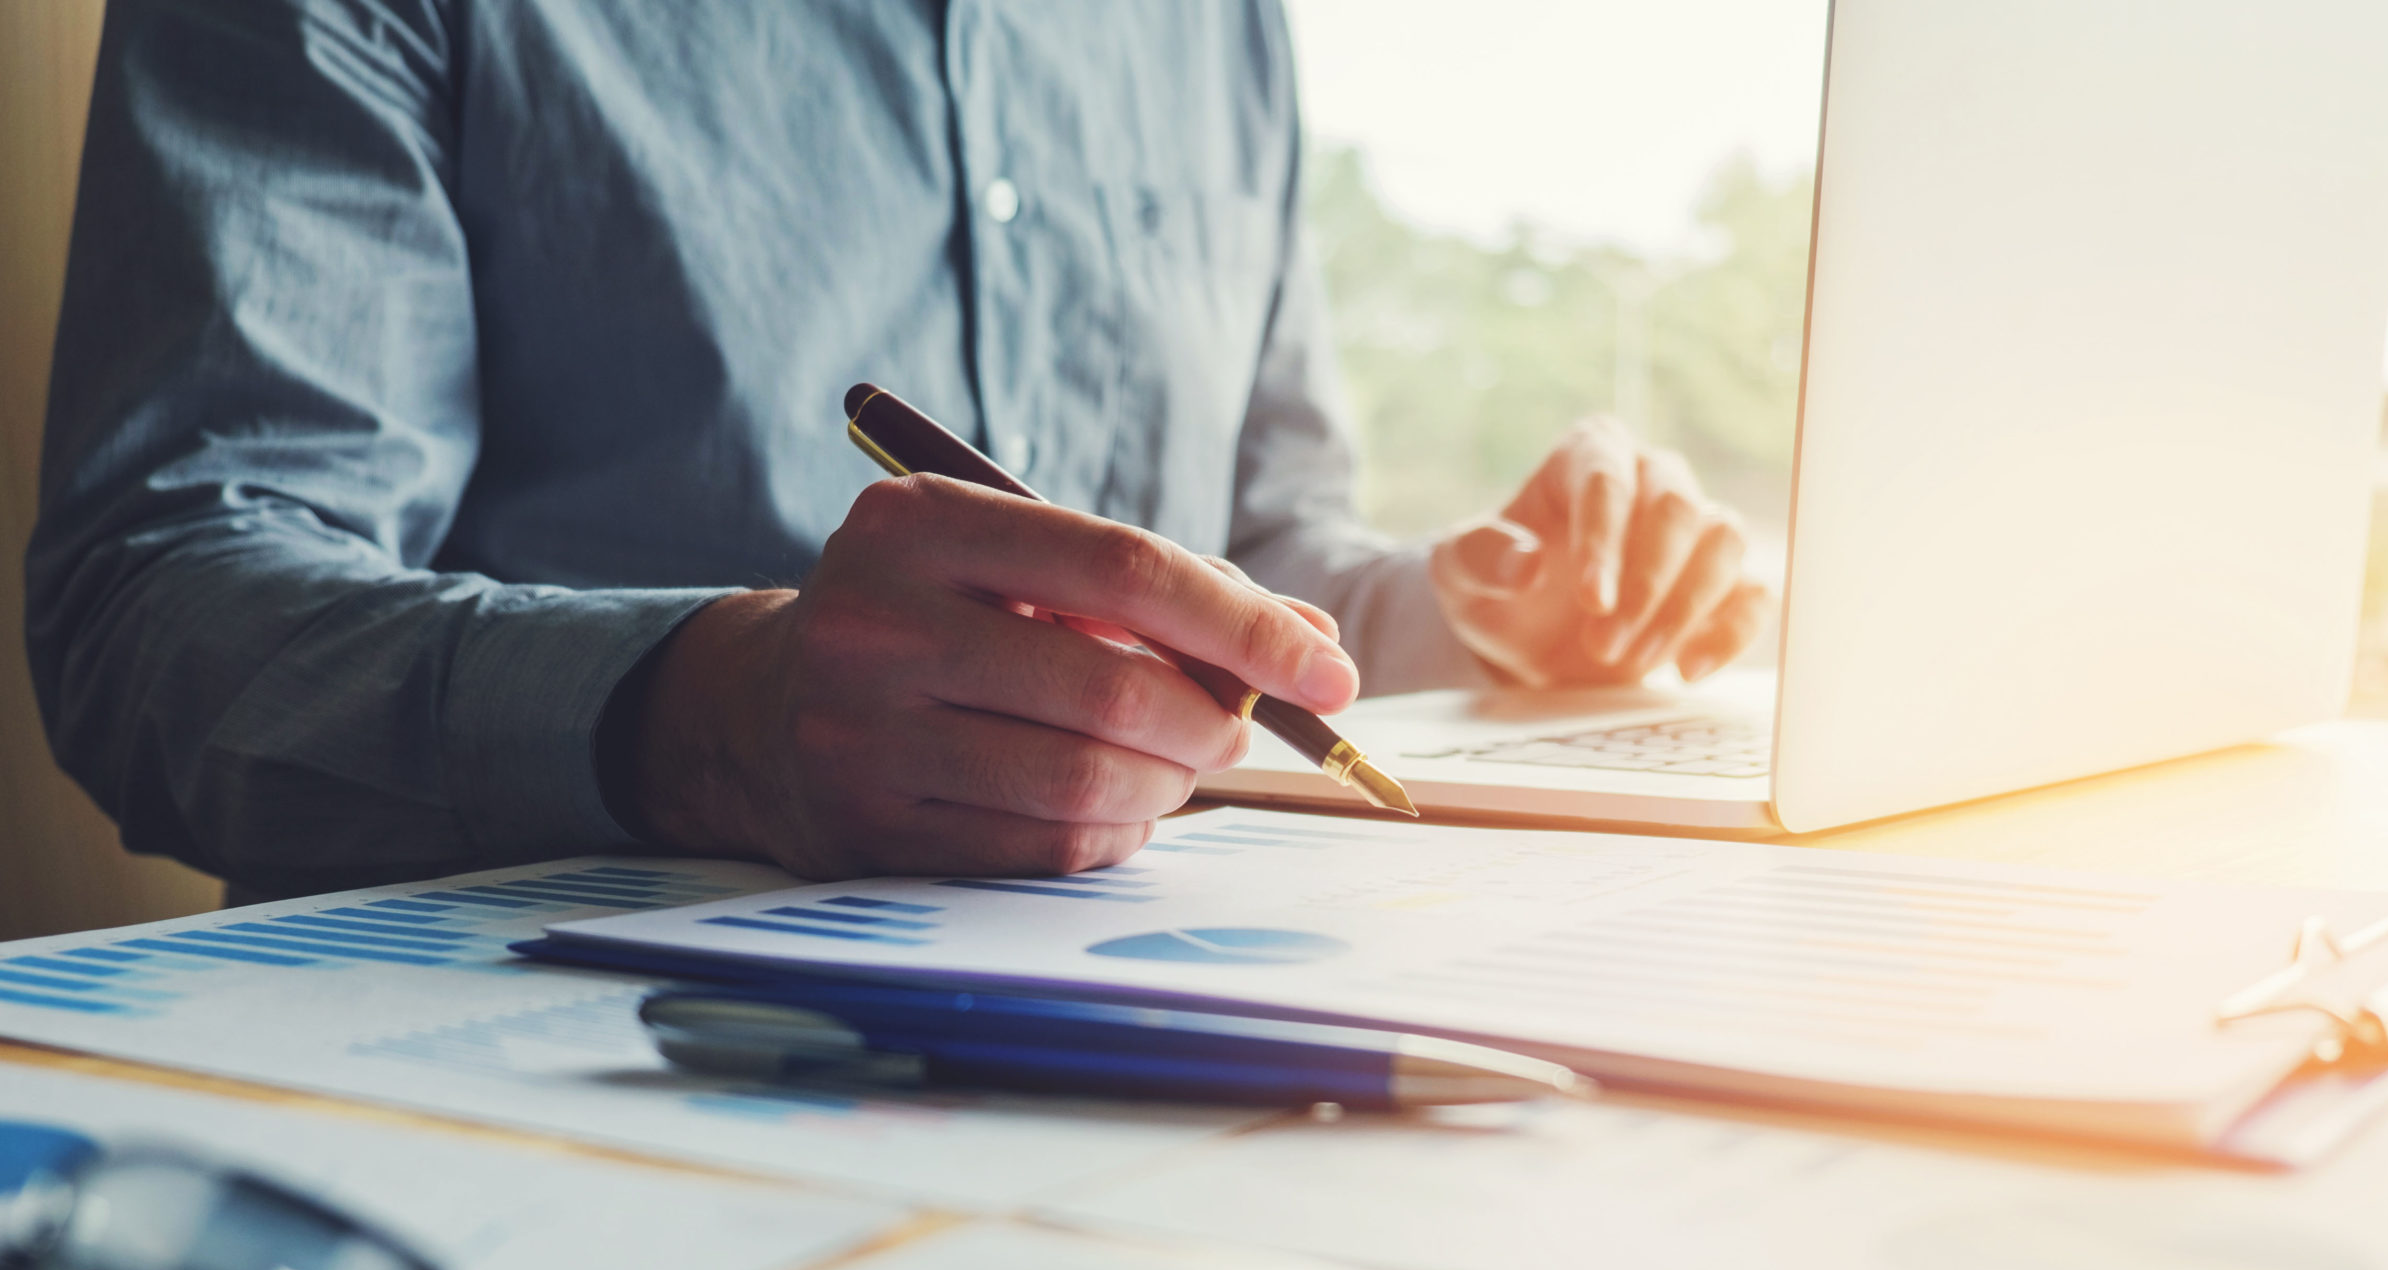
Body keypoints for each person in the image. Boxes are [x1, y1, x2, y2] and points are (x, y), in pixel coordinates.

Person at [28, 0, 1771, 901]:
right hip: (535, 1091)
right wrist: (703, 721)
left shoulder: (1212, 25)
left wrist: (1484, 622)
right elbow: (157, 610)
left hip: (1152, 1042)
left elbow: (1258, 548)